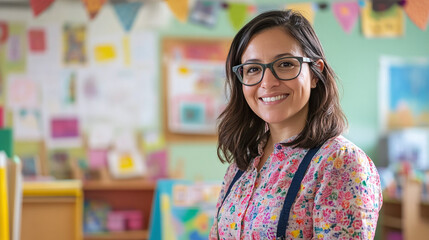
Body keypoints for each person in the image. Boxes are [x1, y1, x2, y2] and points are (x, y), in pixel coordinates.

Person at [210, 10, 382, 240]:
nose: (268, 82)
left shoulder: (340, 163)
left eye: (285, 64)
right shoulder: (243, 164)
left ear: (314, 72)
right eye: (253, 69)